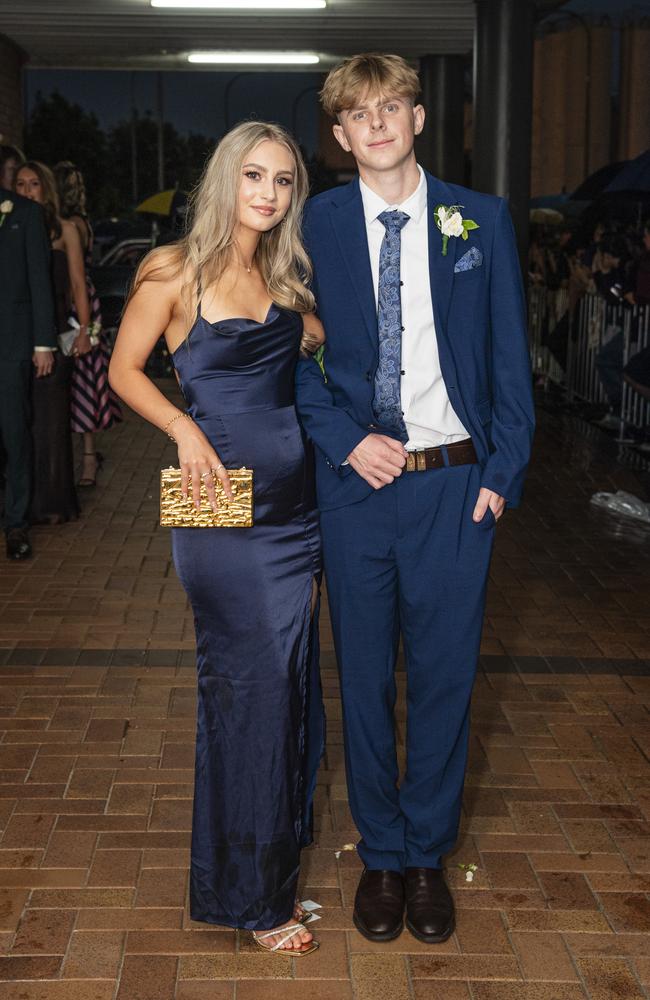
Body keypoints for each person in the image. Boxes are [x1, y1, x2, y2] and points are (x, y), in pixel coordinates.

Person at [295, 53, 535, 946]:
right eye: (360, 114)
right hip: (357, 488)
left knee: (443, 679)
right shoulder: (312, 225)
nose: (379, 124)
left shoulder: (480, 220)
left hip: (456, 489)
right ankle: (383, 855)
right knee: (362, 680)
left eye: (393, 106)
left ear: (420, 118)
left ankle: (429, 854)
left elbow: (511, 357)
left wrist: (504, 473)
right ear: (341, 135)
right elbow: (293, 357)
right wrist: (343, 439)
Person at [109, 121, 325, 956]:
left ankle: (265, 876)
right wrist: (182, 429)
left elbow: (312, 354)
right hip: (220, 515)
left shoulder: (287, 278)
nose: (268, 194)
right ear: (224, 180)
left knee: (285, 691)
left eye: (282, 181)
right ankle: (252, 900)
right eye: (254, 177)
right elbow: (126, 369)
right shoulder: (173, 271)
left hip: (292, 516)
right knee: (248, 696)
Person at [15, 161, 90, 524]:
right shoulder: (12, 228)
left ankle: (54, 501)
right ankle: (23, 500)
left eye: (33, 184)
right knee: (22, 422)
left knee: (52, 422)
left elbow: (78, 284)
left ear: (46, 189)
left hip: (58, 333)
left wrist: (85, 331)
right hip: (18, 335)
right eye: (20, 184)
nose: (27, 190)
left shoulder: (64, 230)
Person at [54, 161, 122, 487]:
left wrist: (84, 327)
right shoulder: (78, 222)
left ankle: (88, 459)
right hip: (82, 305)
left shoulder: (71, 225)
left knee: (84, 379)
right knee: (85, 378)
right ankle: (85, 456)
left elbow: (76, 279)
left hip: (79, 308)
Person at [0, 171, 56, 558]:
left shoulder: (25, 213)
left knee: (14, 433)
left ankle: (16, 524)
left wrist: (43, 343)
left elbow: (40, 279)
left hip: (13, 344)